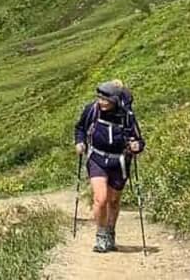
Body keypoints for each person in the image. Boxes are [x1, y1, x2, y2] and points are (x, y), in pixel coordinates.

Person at [74, 79, 145, 253]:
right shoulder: (92, 110)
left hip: (119, 161)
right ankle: (101, 235)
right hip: (97, 158)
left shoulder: (127, 116)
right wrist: (80, 142)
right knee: (101, 198)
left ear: (115, 100)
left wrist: (137, 146)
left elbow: (139, 139)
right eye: (99, 98)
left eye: (105, 99)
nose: (101, 102)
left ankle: (111, 230)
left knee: (113, 201)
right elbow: (80, 128)